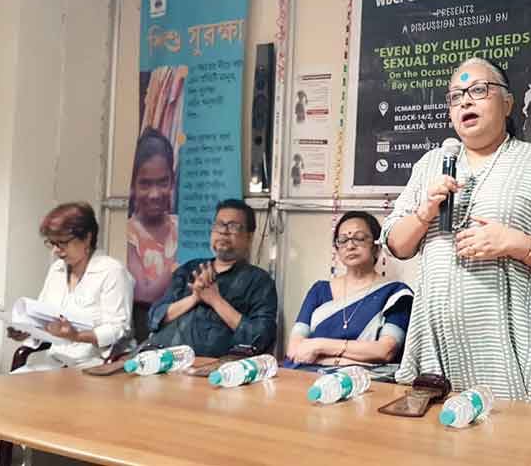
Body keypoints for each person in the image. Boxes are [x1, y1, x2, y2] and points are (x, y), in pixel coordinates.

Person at [382, 57, 531, 403]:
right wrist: (423, 214)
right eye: (455, 95)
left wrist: (515, 243)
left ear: (507, 103)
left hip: (502, 355)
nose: (465, 101)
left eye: (478, 90)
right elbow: (396, 244)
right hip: (431, 349)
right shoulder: (431, 164)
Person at [7, 202, 134, 371]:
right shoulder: (57, 270)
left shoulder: (112, 271)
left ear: (87, 237)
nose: (56, 251)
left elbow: (118, 329)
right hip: (56, 362)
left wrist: (77, 336)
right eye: (52, 243)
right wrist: (25, 330)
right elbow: (41, 316)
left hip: (95, 365)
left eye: (62, 243)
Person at [147, 199, 277, 357]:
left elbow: (260, 337)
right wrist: (195, 298)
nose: (223, 232)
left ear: (249, 237)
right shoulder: (190, 269)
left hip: (215, 370)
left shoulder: (259, 281)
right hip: (160, 358)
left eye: (233, 226)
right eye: (219, 225)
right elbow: (155, 317)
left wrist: (216, 301)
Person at [284, 211, 413, 370]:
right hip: (307, 378)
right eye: (343, 240)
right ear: (337, 249)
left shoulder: (396, 294)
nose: (350, 246)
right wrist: (347, 360)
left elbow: (385, 351)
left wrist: (319, 346)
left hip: (367, 384)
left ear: (376, 246)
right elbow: (294, 349)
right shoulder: (319, 290)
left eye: (359, 238)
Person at [127, 128, 178, 342]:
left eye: (162, 182)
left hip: (183, 323)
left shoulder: (181, 225)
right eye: (145, 184)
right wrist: (177, 267)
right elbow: (144, 294)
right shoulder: (130, 234)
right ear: (132, 186)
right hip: (146, 328)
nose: (155, 194)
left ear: (172, 182)